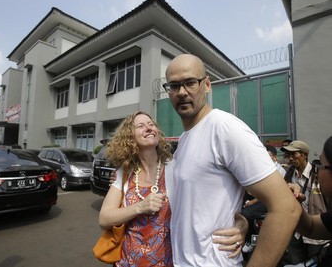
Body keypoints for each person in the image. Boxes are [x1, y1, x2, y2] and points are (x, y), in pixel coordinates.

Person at [163, 54, 301, 266]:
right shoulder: (184, 140)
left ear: (207, 85)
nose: (182, 92)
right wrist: (242, 219)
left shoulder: (224, 128)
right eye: (174, 86)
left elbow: (286, 208)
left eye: (190, 82)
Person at [98, 111, 248, 266]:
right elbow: (104, 219)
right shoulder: (125, 174)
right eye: (141, 126)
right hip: (128, 261)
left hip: (170, 261)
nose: (149, 128)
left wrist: (241, 224)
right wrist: (139, 207)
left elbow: (212, 199)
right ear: (129, 137)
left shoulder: (175, 168)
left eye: (151, 125)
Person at [286, 136, 332, 266]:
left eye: (321, 165)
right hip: (296, 231)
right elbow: (309, 226)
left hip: (318, 238)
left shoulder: (314, 174)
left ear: (304, 155)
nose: (290, 158)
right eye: (288, 154)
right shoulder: (289, 173)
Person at [241, 144, 287, 254]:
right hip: (260, 198)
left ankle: (251, 241)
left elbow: (272, 192)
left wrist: (252, 201)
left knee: (246, 213)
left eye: (268, 155)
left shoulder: (278, 171)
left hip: (271, 201)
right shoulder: (263, 168)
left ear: (275, 157)